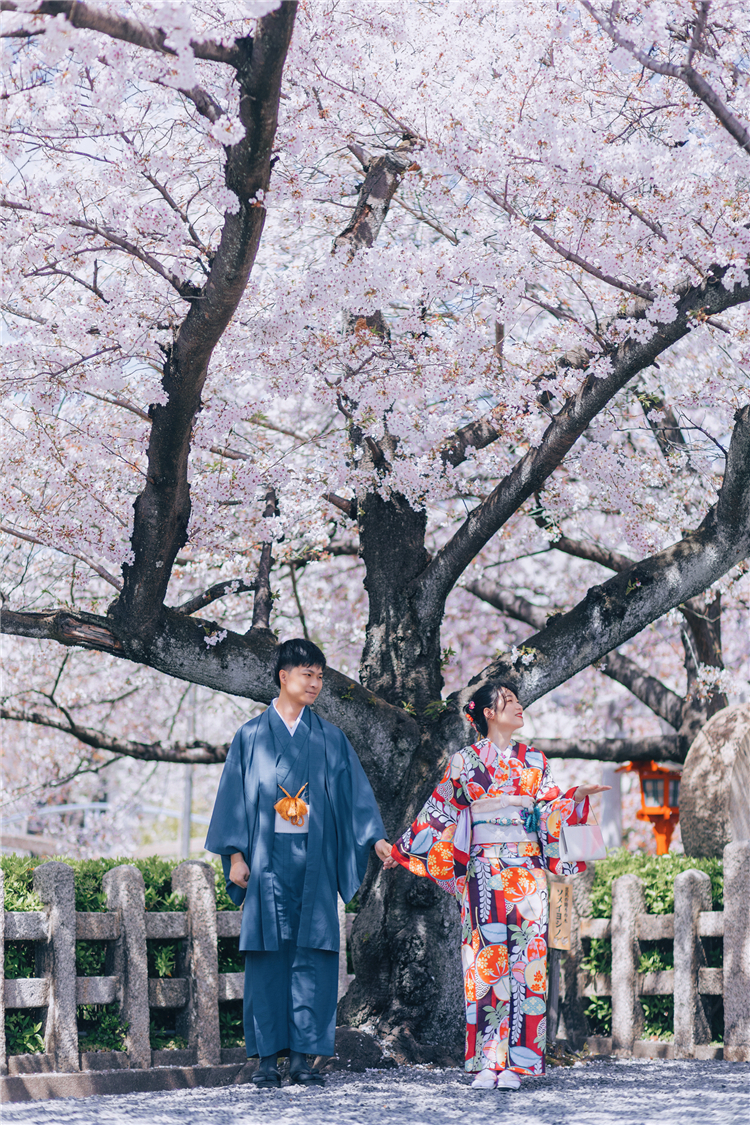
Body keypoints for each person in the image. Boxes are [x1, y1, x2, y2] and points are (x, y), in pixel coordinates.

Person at [384, 681, 609, 1090]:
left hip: (528, 872)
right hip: (483, 874)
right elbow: (439, 814)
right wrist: (403, 851)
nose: (520, 708)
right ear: (488, 712)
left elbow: (547, 811)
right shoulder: (464, 763)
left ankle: (520, 1063)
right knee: (485, 965)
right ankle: (489, 1059)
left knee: (529, 966)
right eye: (511, 702)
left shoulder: (535, 761)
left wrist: (575, 796)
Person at [205, 638, 391, 1088]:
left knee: (314, 956)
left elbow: (354, 797)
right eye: (307, 674)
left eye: (320, 675)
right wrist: (234, 854)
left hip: (315, 863)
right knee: (267, 958)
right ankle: (267, 1060)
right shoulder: (251, 735)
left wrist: (376, 839)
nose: (315, 683)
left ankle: (305, 1059)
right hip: (266, 861)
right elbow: (232, 797)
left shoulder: (329, 737)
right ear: (283, 676)